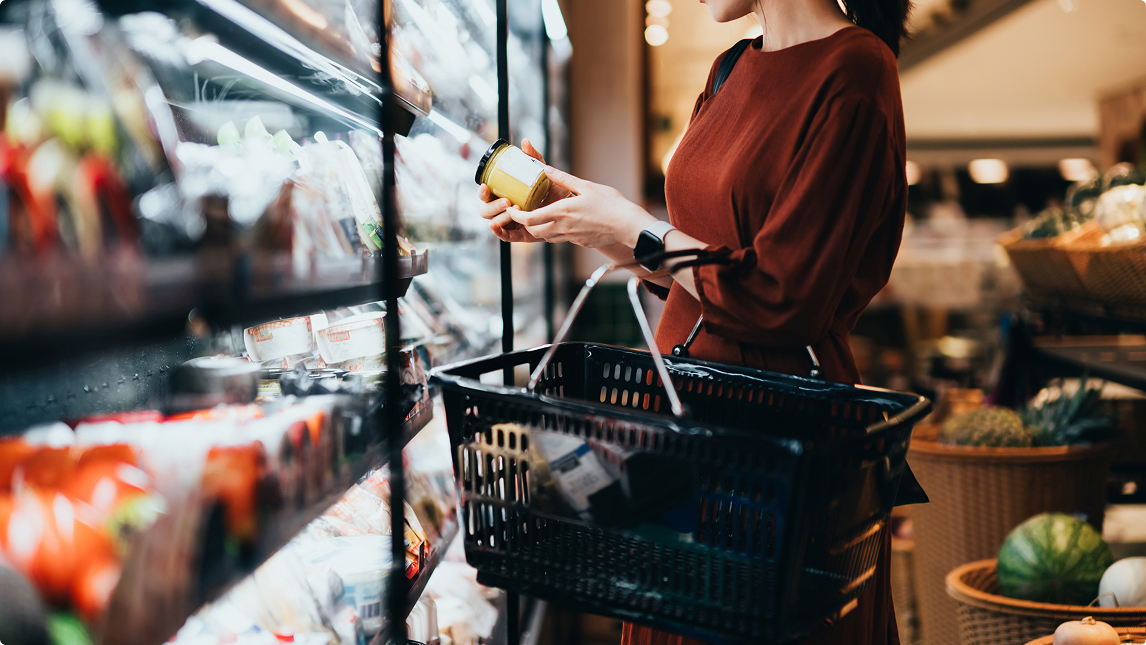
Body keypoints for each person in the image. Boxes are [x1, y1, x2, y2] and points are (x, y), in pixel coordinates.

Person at [477, 0, 913, 641]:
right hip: (683, 425)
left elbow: (780, 297)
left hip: (771, 442)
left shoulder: (855, 70)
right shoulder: (731, 66)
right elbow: (706, 263)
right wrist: (582, 222)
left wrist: (634, 225)